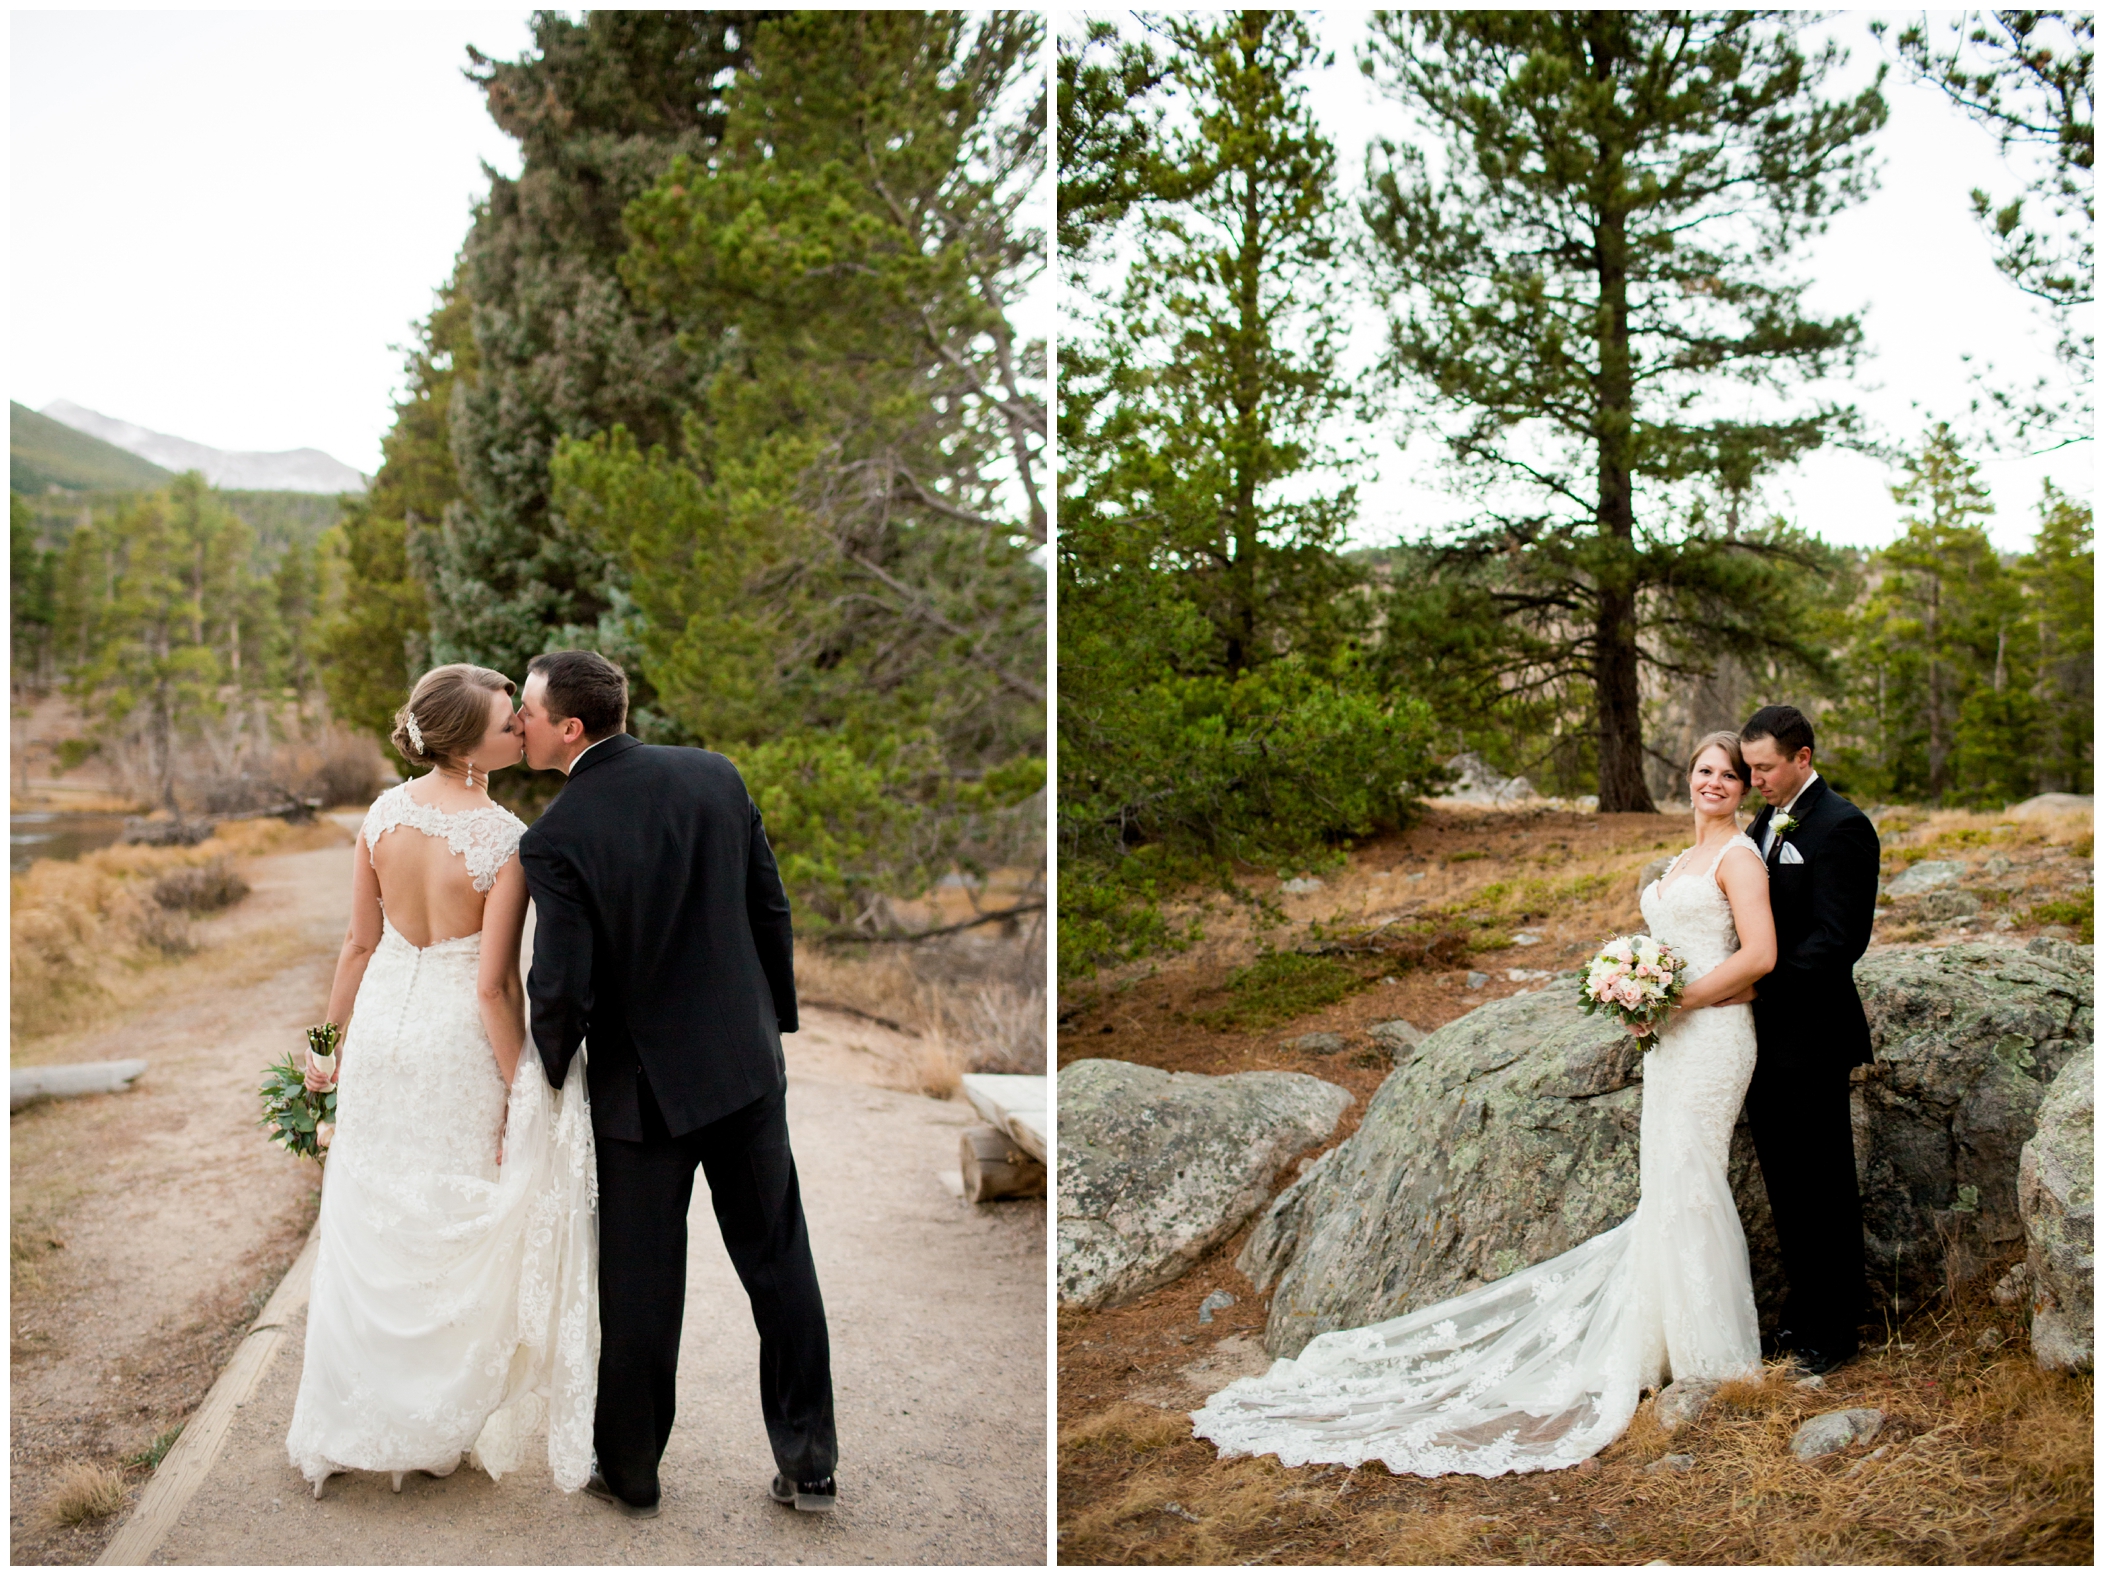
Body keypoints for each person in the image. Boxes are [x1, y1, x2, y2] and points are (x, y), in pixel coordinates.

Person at [1192, 733, 1775, 1477]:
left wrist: (1671, 999)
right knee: (1666, 1180)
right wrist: (1640, 994)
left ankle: (1710, 1358)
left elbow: (1759, 957)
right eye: (1704, 771)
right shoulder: (1679, 861)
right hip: (1671, 1039)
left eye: (1729, 775)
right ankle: (1653, 1344)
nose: (1715, 783)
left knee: (1693, 1177)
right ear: (1687, 779)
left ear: (1744, 788)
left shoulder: (1740, 858)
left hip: (1714, 1038)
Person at [515, 649, 838, 1518]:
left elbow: (562, 985)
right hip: (743, 1074)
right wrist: (769, 1029)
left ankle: (633, 1474)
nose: (518, 724)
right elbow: (769, 906)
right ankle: (810, 1464)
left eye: (529, 713)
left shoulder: (555, 837)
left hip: (639, 1099)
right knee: (780, 1266)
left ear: (570, 727)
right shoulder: (714, 776)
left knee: (642, 1291)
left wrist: (545, 1077)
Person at [288, 664, 597, 1499]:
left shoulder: (380, 817)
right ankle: (427, 1428)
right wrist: (524, 1086)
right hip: (457, 1048)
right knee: (446, 1226)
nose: (519, 733)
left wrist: (325, 1054)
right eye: (506, 724)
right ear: (464, 743)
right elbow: (494, 987)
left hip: (384, 1032)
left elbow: (356, 946)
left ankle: (360, 1416)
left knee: (375, 1219)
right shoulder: (507, 839)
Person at [1738, 703, 1879, 1374]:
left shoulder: (1843, 826)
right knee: (1786, 1184)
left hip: (1813, 1034)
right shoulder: (1765, 820)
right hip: (1762, 1039)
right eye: (1749, 768)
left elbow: (1837, 941)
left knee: (1823, 1182)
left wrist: (1755, 984)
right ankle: (1802, 1312)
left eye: (1764, 767)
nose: (1754, 779)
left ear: (1802, 757)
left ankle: (1838, 1325)